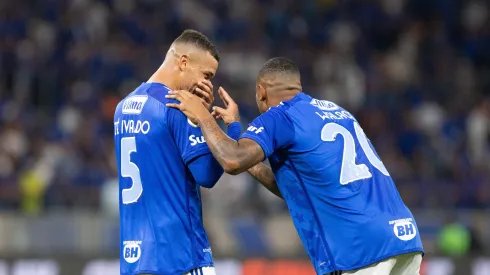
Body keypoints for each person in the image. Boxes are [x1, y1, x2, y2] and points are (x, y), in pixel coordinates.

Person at [166, 57, 424, 275]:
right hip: (404, 240)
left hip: (360, 250)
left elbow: (232, 160)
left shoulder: (281, 116)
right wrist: (237, 132)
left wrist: (201, 116)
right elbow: (295, 189)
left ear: (261, 91)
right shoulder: (337, 112)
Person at [113, 29, 241, 275]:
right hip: (180, 258)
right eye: (206, 74)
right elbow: (207, 175)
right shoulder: (178, 105)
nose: (207, 84)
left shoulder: (123, 107)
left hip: (135, 261)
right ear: (183, 62)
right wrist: (221, 125)